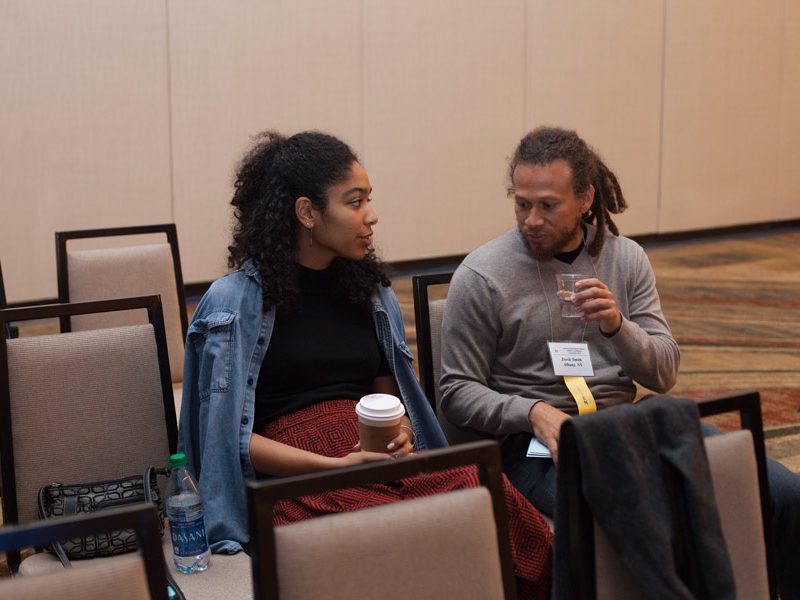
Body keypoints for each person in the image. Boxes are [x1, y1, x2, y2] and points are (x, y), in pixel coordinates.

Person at [178, 130, 552, 598]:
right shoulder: (234, 302)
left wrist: (401, 434)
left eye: (368, 200)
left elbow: (389, 397)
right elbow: (226, 437)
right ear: (307, 213)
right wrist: (330, 466)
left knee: (489, 496)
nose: (370, 215)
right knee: (385, 538)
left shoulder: (369, 292)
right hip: (295, 476)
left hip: (372, 457)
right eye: (354, 203)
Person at [440, 126, 800, 598]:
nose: (532, 219)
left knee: (782, 492)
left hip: (628, 425)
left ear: (585, 198)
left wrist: (617, 326)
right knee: (654, 515)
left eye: (548, 205)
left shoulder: (626, 259)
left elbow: (664, 373)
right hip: (537, 448)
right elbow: (456, 391)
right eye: (522, 203)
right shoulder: (483, 275)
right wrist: (533, 412)